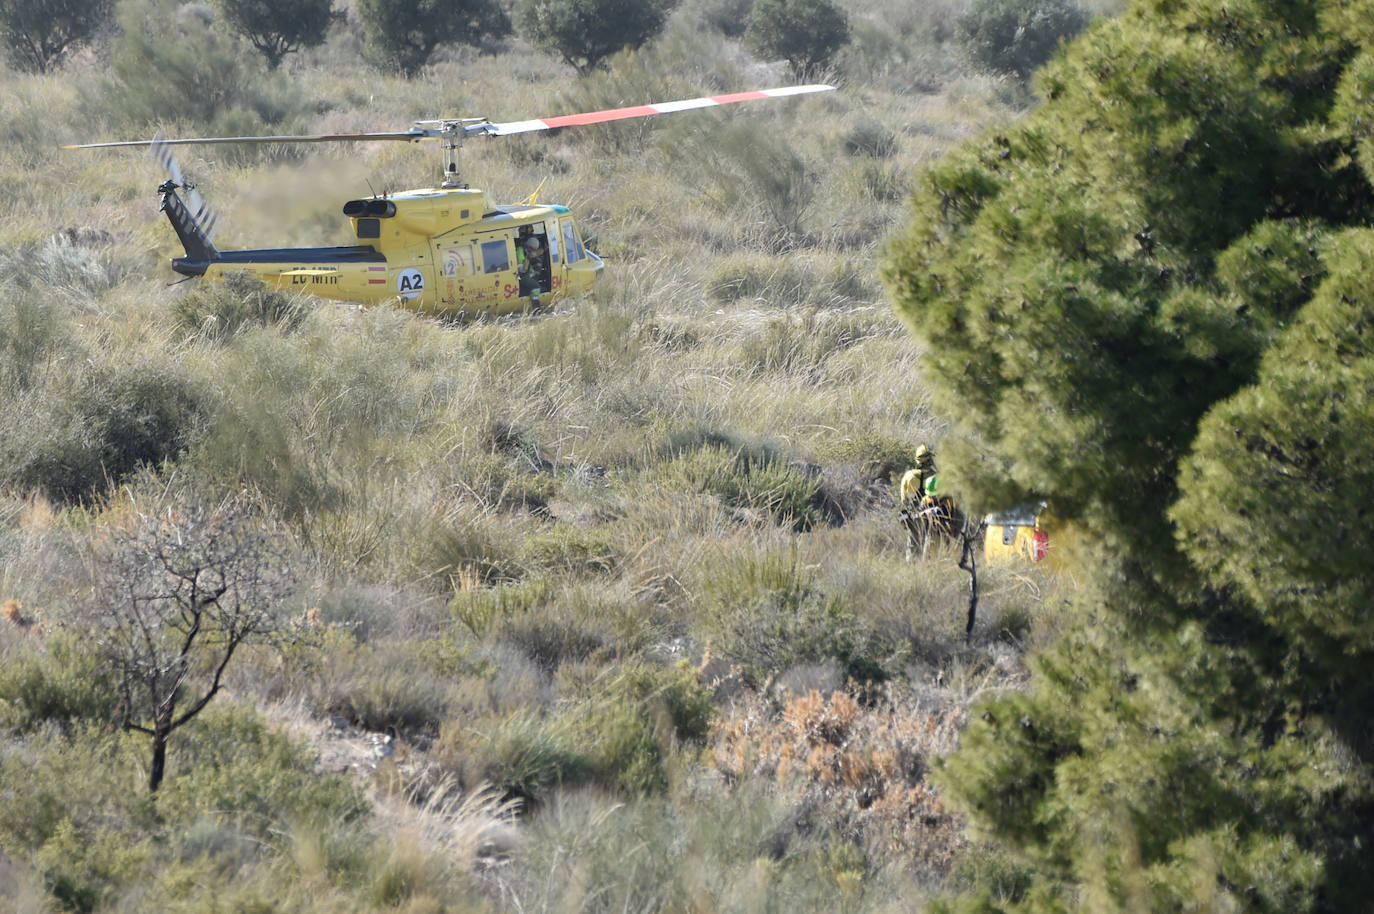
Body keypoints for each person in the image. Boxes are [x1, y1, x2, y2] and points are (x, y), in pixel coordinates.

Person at [517, 234, 545, 309]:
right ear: (528, 247)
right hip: (521, 276)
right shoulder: (520, 252)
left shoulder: (526, 250)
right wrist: (528, 258)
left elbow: (539, 252)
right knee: (535, 286)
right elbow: (522, 270)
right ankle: (536, 306)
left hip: (527, 274)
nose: (533, 251)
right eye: (532, 249)